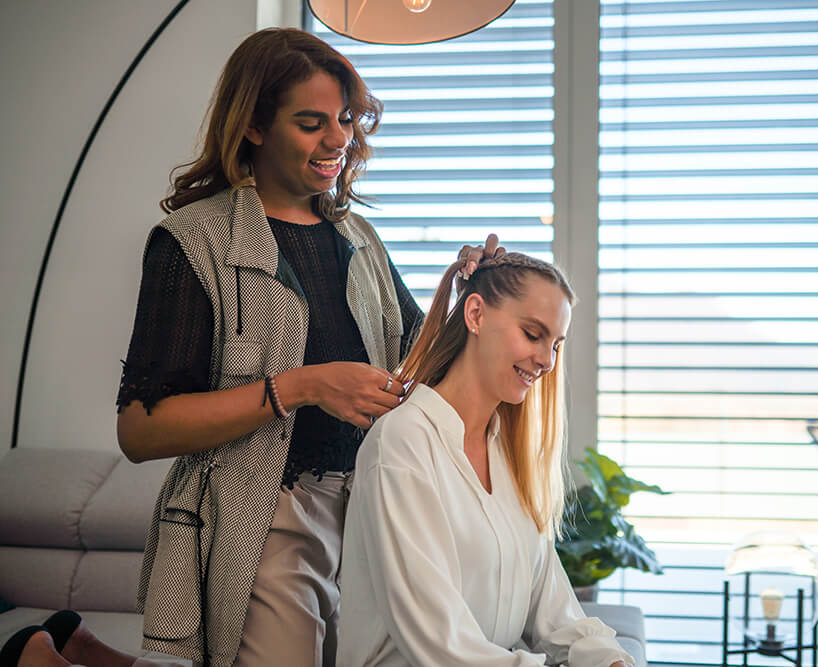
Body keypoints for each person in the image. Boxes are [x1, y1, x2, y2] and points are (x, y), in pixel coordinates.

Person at [0, 27, 502, 667]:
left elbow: (420, 366)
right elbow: (140, 430)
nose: (339, 140)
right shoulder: (193, 242)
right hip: (264, 517)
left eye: (346, 119)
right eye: (311, 122)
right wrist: (304, 385)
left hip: (367, 510)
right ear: (256, 127)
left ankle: (71, 654)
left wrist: (471, 294)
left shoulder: (358, 237)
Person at [336, 252, 635, 667]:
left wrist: (610, 660)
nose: (547, 361)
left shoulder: (509, 456)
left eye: (556, 345)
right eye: (533, 334)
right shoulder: (401, 444)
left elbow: (555, 609)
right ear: (475, 314)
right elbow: (441, 641)